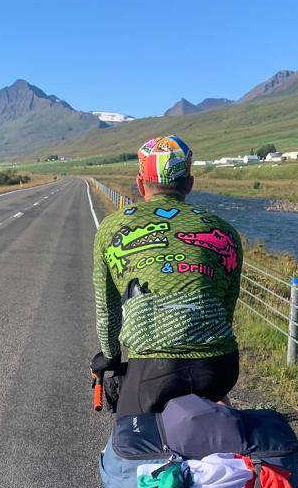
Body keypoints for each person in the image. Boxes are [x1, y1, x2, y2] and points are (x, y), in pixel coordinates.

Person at [91, 135, 243, 416]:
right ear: (189, 184)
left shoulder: (112, 227)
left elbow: (107, 308)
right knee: (220, 420)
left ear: (140, 183)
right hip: (219, 366)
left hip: (152, 366)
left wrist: (110, 357)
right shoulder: (224, 229)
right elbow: (225, 305)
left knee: (130, 443)